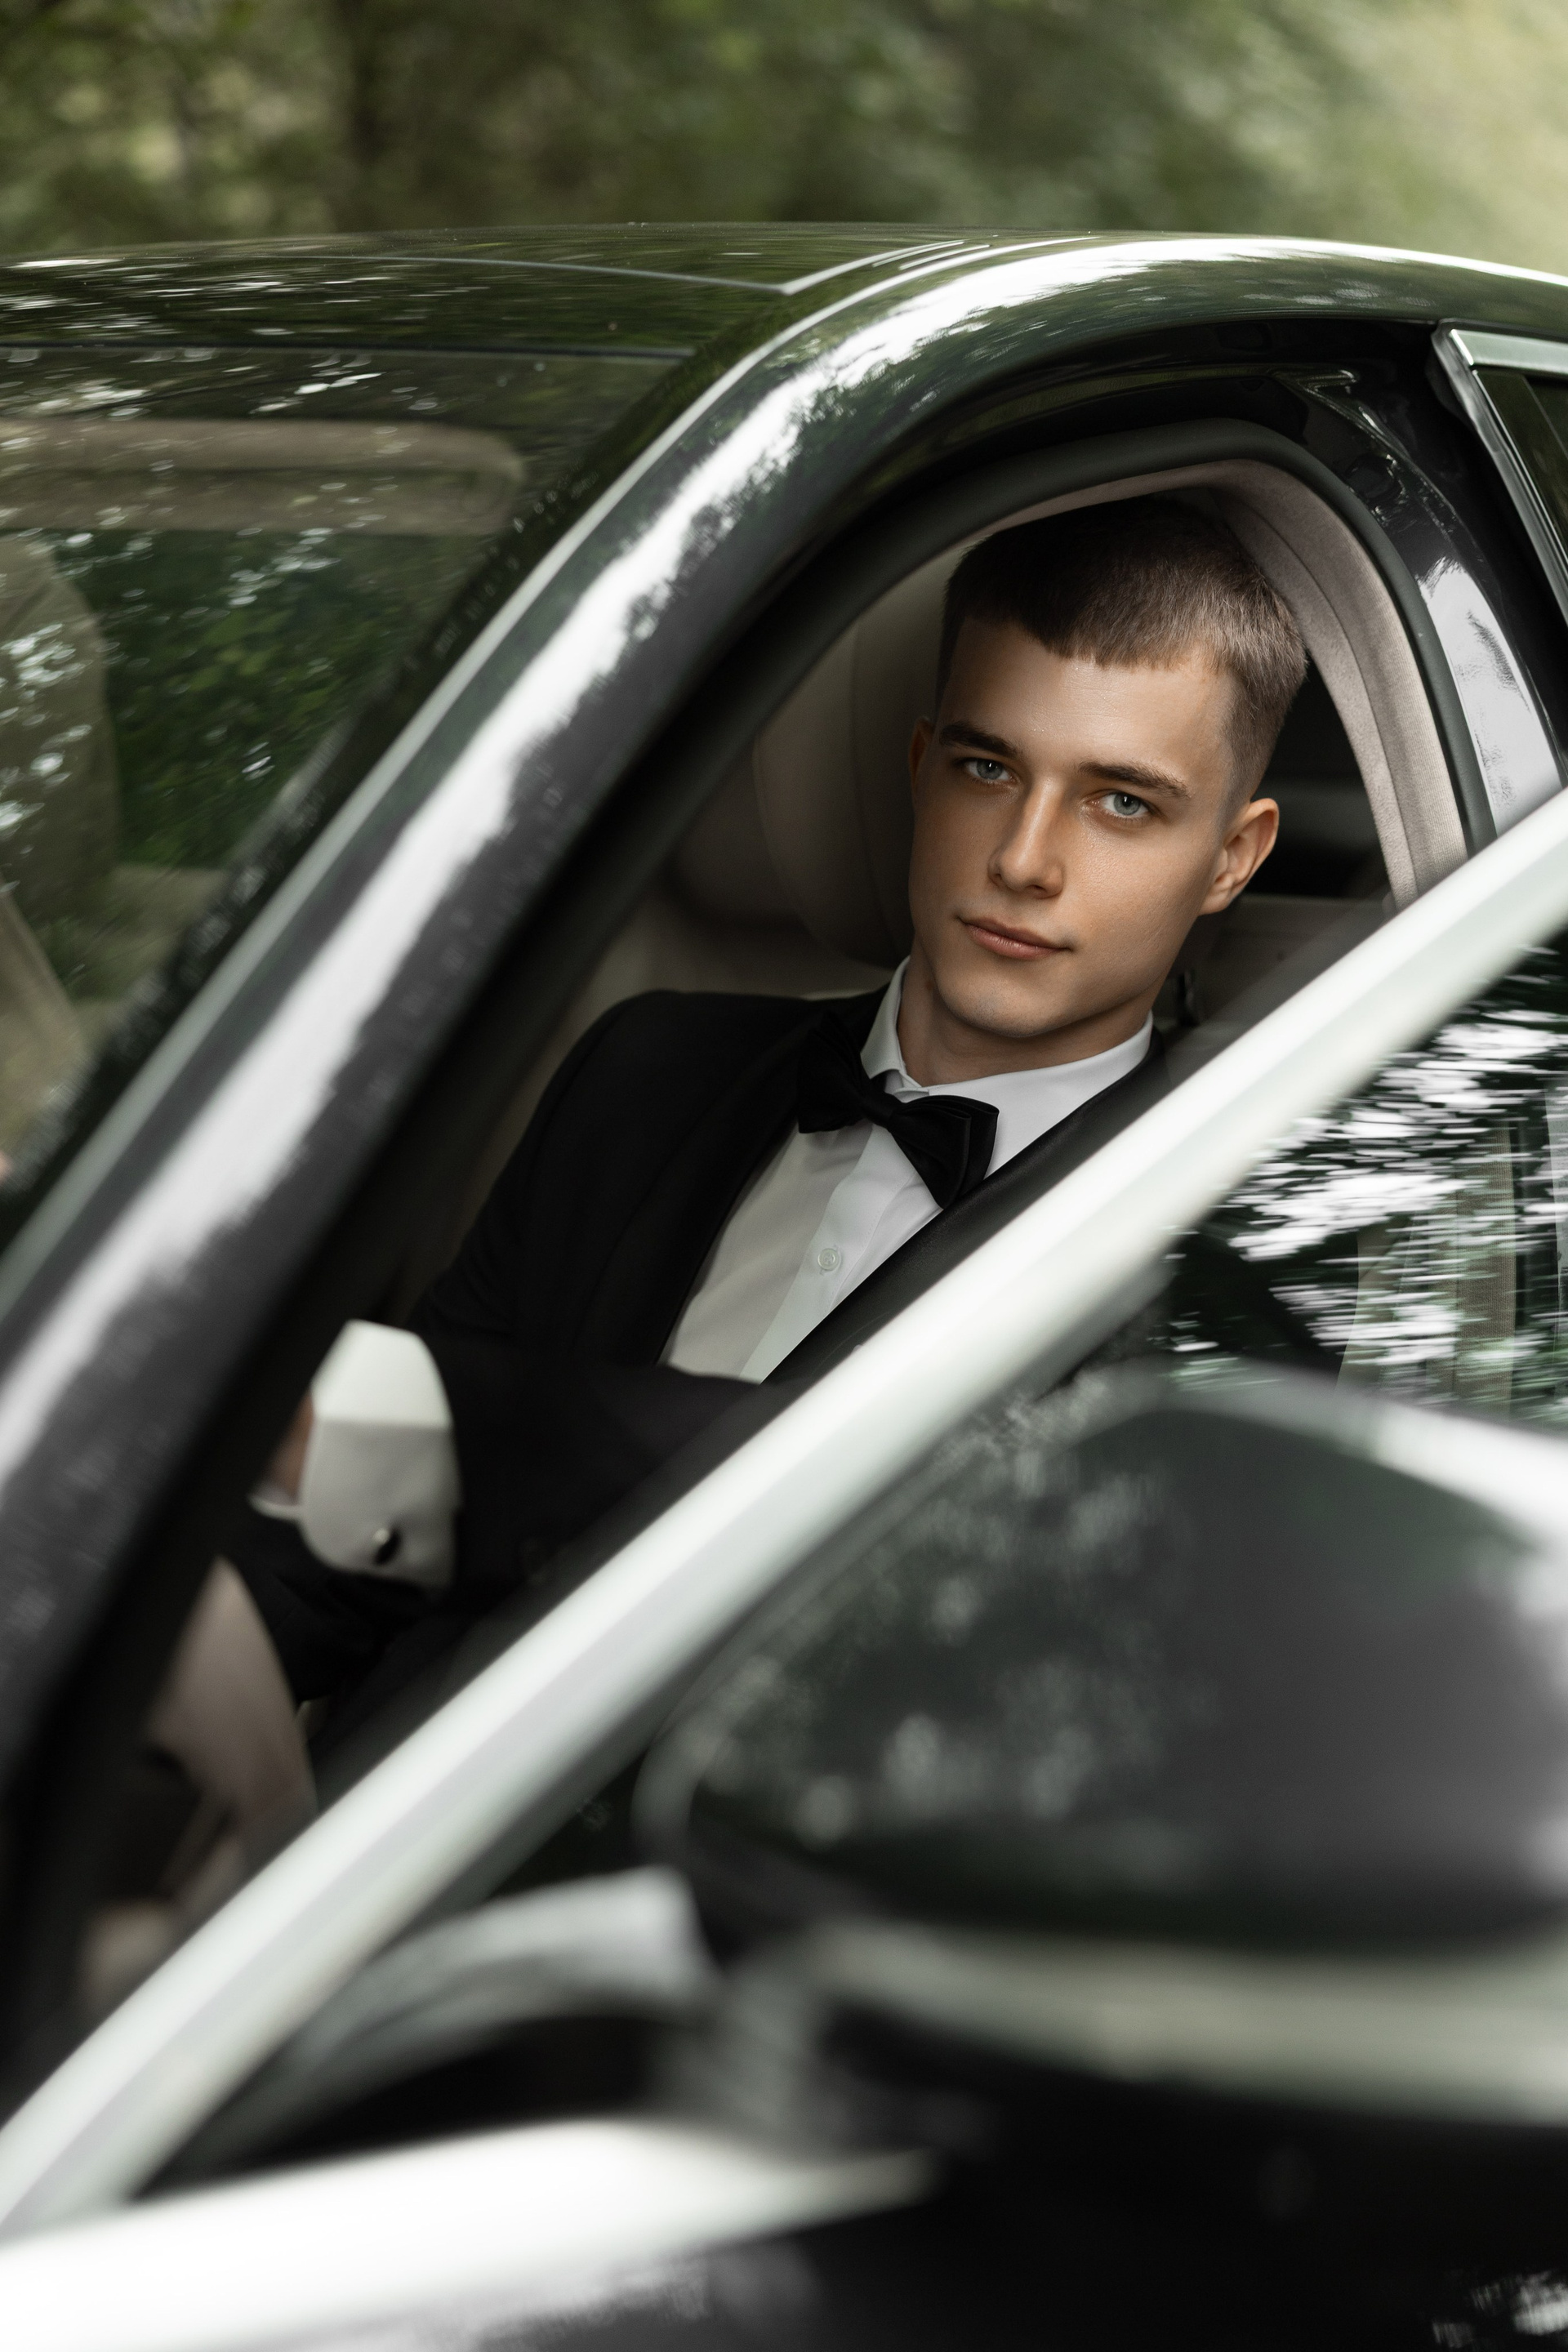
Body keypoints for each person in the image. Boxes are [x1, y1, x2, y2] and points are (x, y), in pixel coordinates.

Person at [233, 497, 1303, 1720]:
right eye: (988, 768)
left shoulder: (1231, 1257)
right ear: (920, 767)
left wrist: (417, 1418)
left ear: (1233, 856)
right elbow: (345, 1544)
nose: (1023, 859)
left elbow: (957, 1559)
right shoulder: (644, 1069)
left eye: (1122, 803)